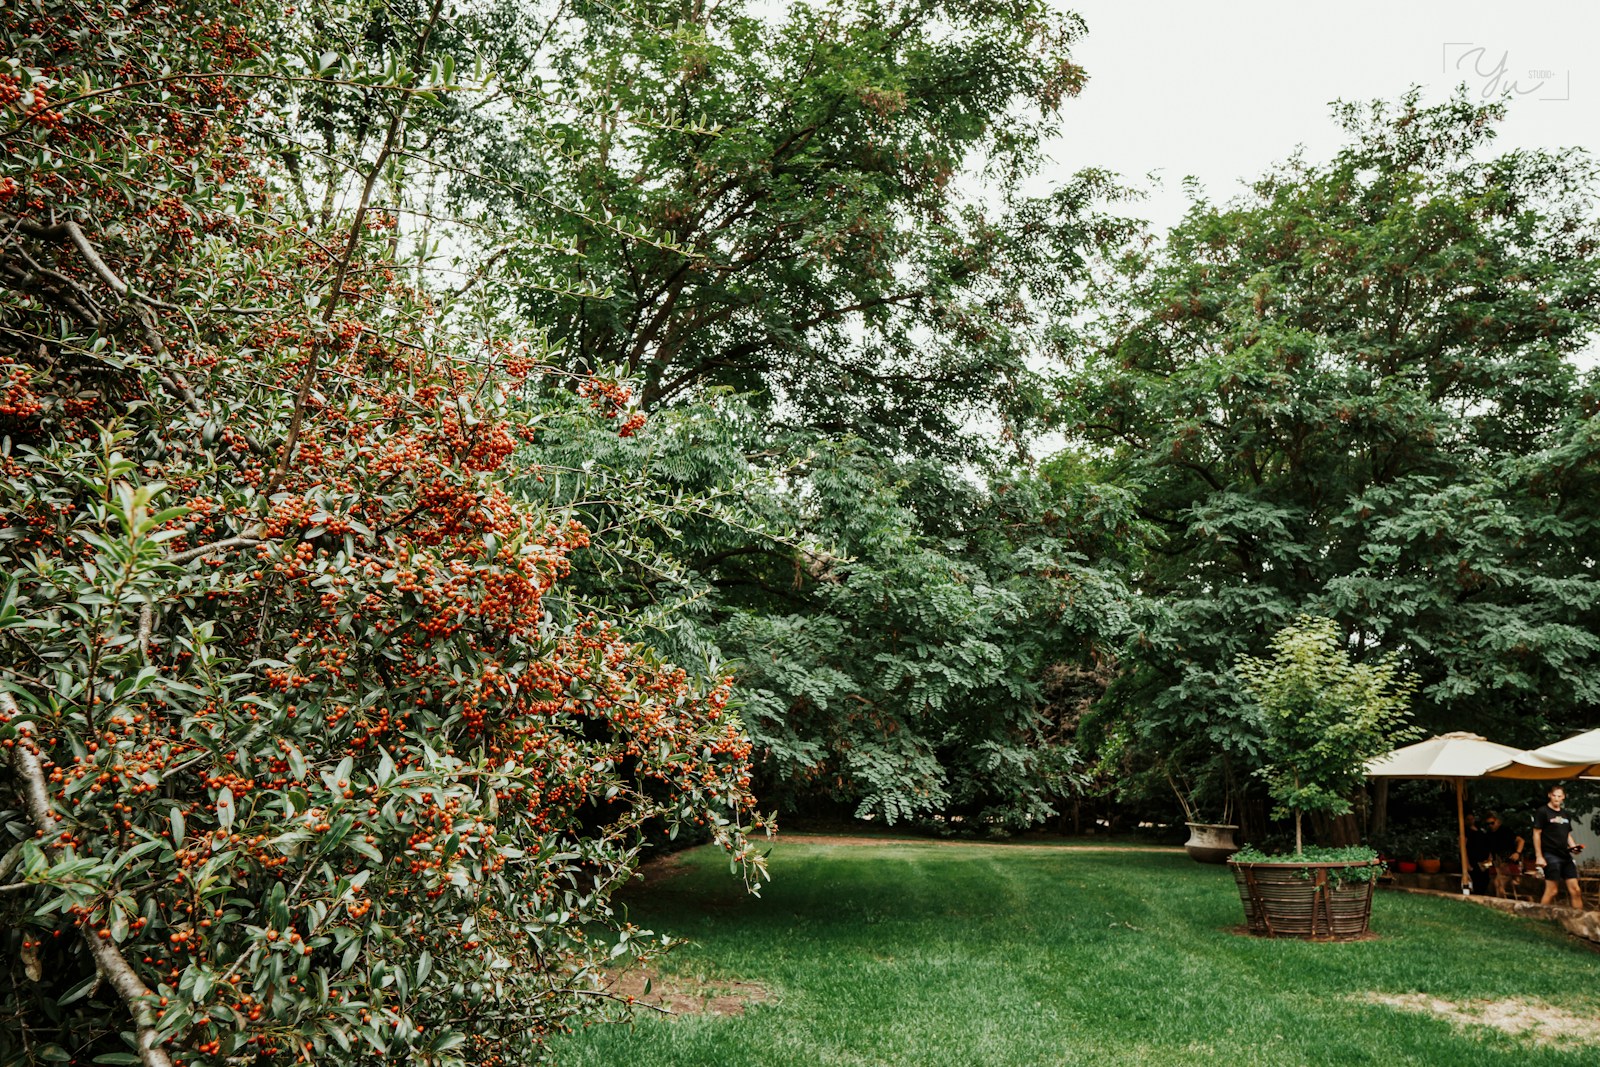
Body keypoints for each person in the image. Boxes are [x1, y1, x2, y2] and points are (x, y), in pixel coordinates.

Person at [1532, 785, 1586, 910]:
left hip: (1565, 855)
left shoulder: (1565, 814)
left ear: (1563, 797)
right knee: (1552, 891)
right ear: (1549, 795)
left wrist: (1573, 847)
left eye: (1559, 796)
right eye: (1554, 795)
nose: (1556, 798)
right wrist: (1539, 856)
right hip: (1550, 854)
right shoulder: (1543, 811)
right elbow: (1536, 833)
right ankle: (1539, 916)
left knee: (1576, 890)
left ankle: (1578, 918)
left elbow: (1567, 834)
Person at [1481, 811, 1525, 898]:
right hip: (1497, 864)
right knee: (1494, 883)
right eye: (1488, 824)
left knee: (1498, 883)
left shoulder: (1505, 831)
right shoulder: (1489, 834)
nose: (1490, 826)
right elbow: (1490, 851)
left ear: (1497, 821)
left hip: (1509, 862)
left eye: (1492, 823)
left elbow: (1521, 840)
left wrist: (1517, 853)